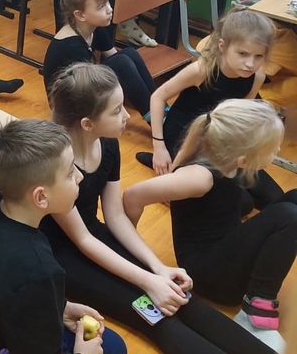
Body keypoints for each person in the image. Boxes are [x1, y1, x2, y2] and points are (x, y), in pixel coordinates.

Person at [46, 63, 275, 354]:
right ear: (87, 124)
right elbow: (81, 239)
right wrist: (148, 281)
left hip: (94, 237)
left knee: (182, 298)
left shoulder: (109, 145)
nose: (126, 115)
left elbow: (115, 216)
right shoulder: (57, 164)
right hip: (61, 255)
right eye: (116, 111)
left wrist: (158, 268)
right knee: (155, 317)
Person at [123, 99, 297, 352]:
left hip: (224, 249)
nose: (278, 150)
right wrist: (130, 254)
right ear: (243, 157)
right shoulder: (200, 177)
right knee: (289, 215)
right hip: (207, 274)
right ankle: (254, 311)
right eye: (272, 149)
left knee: (292, 200)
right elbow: (132, 196)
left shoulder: (229, 161)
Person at [0, 118, 127, 354]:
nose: (80, 177)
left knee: (111, 342)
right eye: (70, 172)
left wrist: (61, 307)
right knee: (115, 349)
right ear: (41, 197)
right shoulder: (39, 271)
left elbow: (1, 295)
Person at [143, 9, 285, 209]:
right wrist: (159, 148)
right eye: (243, 54)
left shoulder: (257, 76)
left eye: (258, 56)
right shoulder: (202, 70)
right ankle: (167, 165)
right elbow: (158, 97)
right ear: (222, 46)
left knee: (275, 198)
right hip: (185, 137)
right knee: (243, 204)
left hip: (219, 139)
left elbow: (240, 118)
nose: (250, 64)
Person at [42, 0, 155, 121]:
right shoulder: (70, 45)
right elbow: (84, 85)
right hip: (68, 104)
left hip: (87, 85)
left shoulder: (94, 27)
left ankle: (158, 105)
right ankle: (154, 117)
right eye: (101, 7)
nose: (110, 9)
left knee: (129, 53)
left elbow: (115, 57)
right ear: (80, 15)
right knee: (121, 62)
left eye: (108, 2)